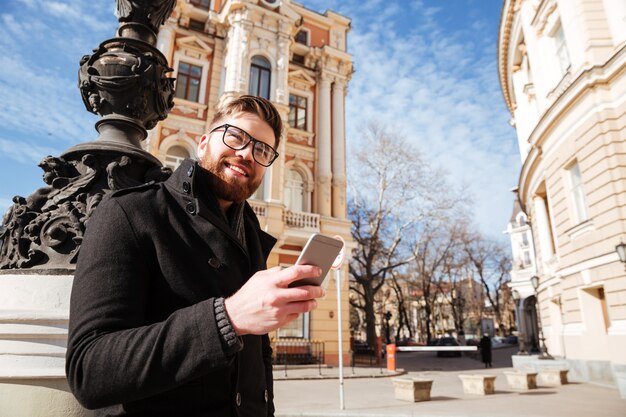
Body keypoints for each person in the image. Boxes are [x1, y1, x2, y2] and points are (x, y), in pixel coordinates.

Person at [66, 95, 325, 416]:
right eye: (236, 136)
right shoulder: (130, 212)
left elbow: (259, 356)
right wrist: (227, 320)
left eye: (261, 150)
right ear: (203, 143)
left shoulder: (252, 234)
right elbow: (89, 370)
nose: (247, 153)